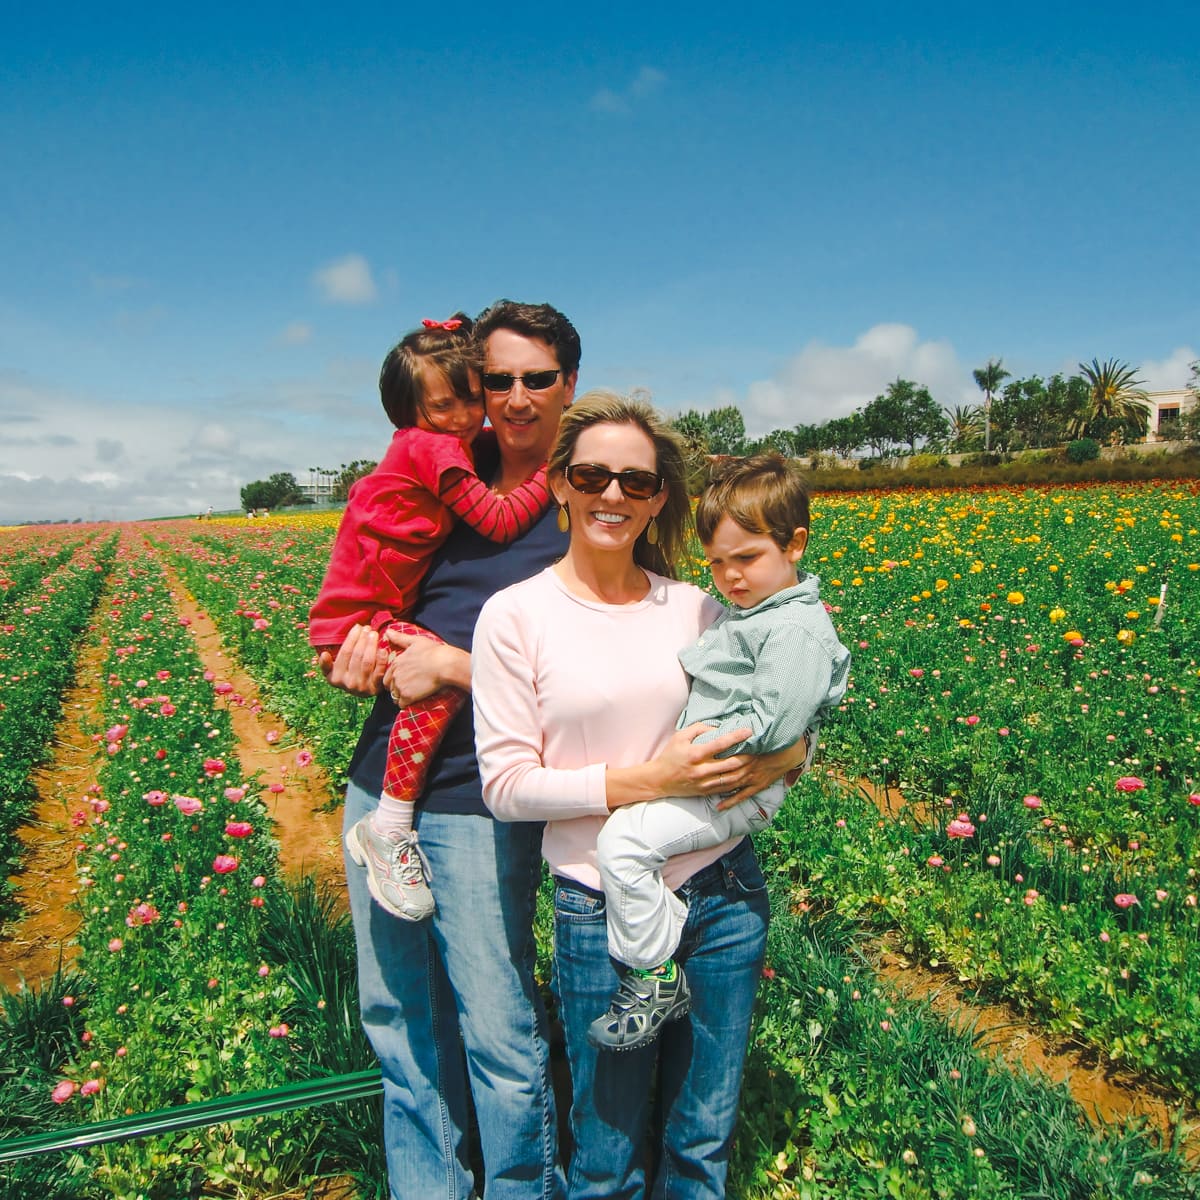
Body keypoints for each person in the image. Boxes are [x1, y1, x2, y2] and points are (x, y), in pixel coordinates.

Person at [473, 393, 811, 1198]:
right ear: (560, 483)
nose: (613, 494)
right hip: (600, 909)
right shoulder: (515, 617)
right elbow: (508, 787)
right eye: (592, 474)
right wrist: (649, 782)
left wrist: (796, 751)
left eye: (636, 480)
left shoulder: (696, 606)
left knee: (702, 1137)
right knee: (607, 1150)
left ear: (659, 498)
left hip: (724, 889)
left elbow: (782, 700)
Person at [322, 300, 581, 1200]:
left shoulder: (587, 501)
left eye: (532, 379)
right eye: (493, 380)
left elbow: (602, 674)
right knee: (398, 1018)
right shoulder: (438, 474)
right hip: (381, 786)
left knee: (498, 1028)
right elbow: (369, 584)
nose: (510, 398)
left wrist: (455, 667)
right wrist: (358, 652)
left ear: (567, 385)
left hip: (479, 796)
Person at [587, 452, 850, 1050]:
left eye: (747, 558)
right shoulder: (757, 614)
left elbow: (775, 724)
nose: (730, 577)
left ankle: (655, 972)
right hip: (722, 780)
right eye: (717, 563)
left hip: (733, 785)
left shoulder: (794, 629)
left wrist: (686, 761)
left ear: (795, 544)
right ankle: (663, 948)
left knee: (622, 845)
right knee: (629, 841)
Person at [309, 314, 551, 921]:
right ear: (411, 411)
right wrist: (554, 474)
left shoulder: (452, 449)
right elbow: (497, 520)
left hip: (484, 788)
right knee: (438, 685)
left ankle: (389, 824)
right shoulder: (437, 452)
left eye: (473, 395)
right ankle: (388, 825)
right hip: (364, 622)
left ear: (570, 383)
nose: (472, 413)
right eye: (452, 402)